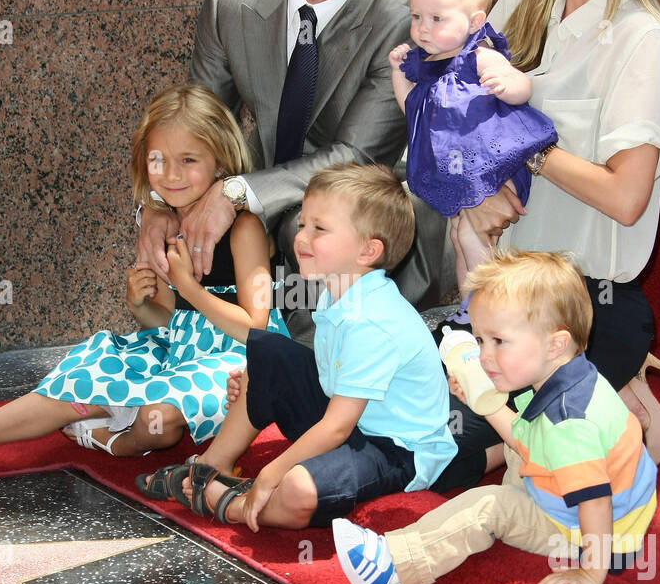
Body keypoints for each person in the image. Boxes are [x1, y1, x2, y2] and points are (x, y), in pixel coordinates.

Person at [0, 85, 286, 473]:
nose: (171, 175)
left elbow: (257, 329)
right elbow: (172, 327)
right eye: (158, 160)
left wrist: (190, 288)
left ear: (222, 161)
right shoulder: (162, 225)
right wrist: (142, 307)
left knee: (162, 417)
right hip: (175, 355)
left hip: (238, 363)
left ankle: (115, 440)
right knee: (79, 380)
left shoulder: (244, 228)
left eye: (189, 161)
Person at [436, 0, 660, 494]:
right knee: (410, 422)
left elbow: (627, 197)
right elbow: (467, 114)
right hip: (503, 292)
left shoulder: (642, 37)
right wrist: (475, 190)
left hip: (586, 304)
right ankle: (620, 411)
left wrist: (531, 148)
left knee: (452, 458)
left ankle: (610, 409)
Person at [137, 0, 455, 338]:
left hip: (370, 201)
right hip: (267, 184)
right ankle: (187, 367)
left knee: (305, 230)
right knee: (178, 231)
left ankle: (314, 375)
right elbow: (196, 125)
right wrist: (158, 206)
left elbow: (355, 157)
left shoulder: (403, 20)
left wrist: (237, 193)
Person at [134, 163, 456, 530]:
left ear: (368, 251)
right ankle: (211, 465)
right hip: (352, 421)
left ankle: (235, 504)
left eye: (319, 228)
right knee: (267, 351)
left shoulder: (371, 320)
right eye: (303, 224)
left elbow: (336, 427)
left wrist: (273, 471)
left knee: (299, 488)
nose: (301, 237)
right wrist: (263, 381)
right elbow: (321, 378)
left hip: (393, 450)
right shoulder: (337, 294)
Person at [333, 250, 658, 584]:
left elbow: (594, 502)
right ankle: (520, 507)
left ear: (555, 343)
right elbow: (524, 439)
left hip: (590, 535)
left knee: (491, 505)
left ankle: (391, 565)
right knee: (515, 442)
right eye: (480, 339)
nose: (484, 355)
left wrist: (592, 569)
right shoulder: (567, 378)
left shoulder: (569, 423)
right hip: (587, 505)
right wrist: (482, 400)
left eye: (498, 341)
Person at [389, 0, 556, 320]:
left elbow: (524, 87)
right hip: (456, 170)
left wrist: (507, 84)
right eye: (416, 17)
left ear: (474, 21)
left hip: (491, 163)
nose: (423, 29)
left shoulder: (476, 57)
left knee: (470, 235)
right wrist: (398, 73)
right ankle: (468, 306)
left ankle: (485, 304)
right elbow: (410, 108)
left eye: (437, 19)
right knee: (458, 235)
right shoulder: (425, 66)